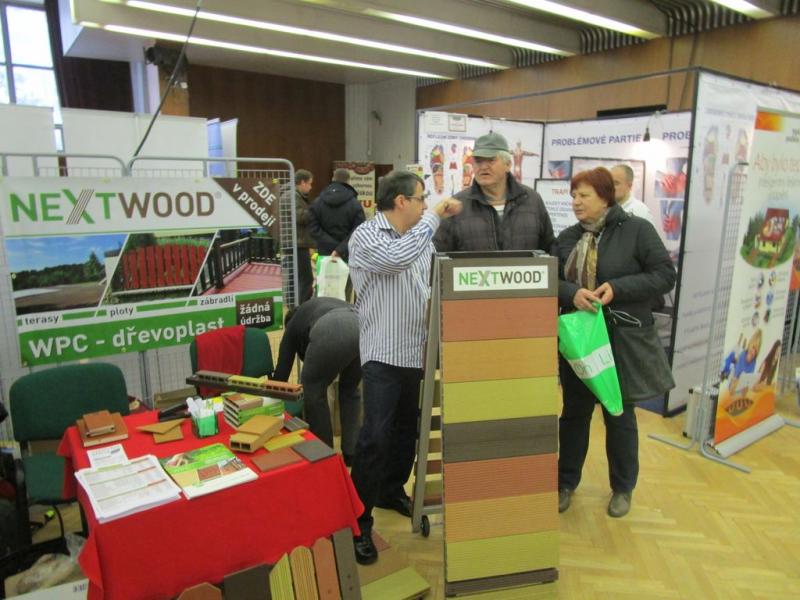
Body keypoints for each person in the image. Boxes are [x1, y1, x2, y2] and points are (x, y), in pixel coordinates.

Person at [347, 170, 462, 565]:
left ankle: (390, 490)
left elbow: (427, 287)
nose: (425, 205)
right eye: (420, 198)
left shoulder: (420, 241)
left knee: (404, 434)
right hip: (382, 354)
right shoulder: (367, 236)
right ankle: (357, 522)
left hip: (416, 353)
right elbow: (396, 261)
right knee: (374, 439)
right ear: (401, 201)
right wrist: (435, 218)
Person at [554, 167, 676, 519]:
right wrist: (571, 293)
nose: (576, 202)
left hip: (622, 340)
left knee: (619, 415)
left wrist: (618, 288)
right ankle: (565, 483)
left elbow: (664, 276)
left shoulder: (637, 231)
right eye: (573, 196)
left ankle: (623, 488)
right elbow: (550, 279)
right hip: (579, 342)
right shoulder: (567, 237)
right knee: (574, 414)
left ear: (605, 197)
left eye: (584, 195)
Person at [272, 297, 361, 462]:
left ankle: (324, 456)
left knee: (313, 391)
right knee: (350, 390)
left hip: (331, 327)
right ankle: (352, 452)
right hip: (362, 325)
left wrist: (269, 400)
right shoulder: (314, 308)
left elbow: (281, 375)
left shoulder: (292, 326)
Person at [434, 131, 554, 253]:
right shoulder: (457, 206)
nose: (483, 167)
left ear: (508, 164)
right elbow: (439, 257)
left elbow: (549, 252)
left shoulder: (532, 200)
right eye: (478, 161)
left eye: (491, 160)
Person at [308, 168, 365, 261]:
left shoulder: (317, 202)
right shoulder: (355, 204)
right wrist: (340, 248)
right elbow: (359, 229)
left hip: (324, 254)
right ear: (348, 181)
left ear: (333, 179)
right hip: (348, 254)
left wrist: (332, 246)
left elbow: (313, 228)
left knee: (324, 271)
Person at [294, 169, 315, 303]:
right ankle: (302, 308)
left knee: (301, 279)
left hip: (299, 242)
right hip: (298, 243)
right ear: (302, 182)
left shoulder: (298, 196)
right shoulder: (293, 196)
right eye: (309, 183)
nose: (311, 187)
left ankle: (298, 306)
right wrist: (315, 210)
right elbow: (300, 217)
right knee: (306, 279)